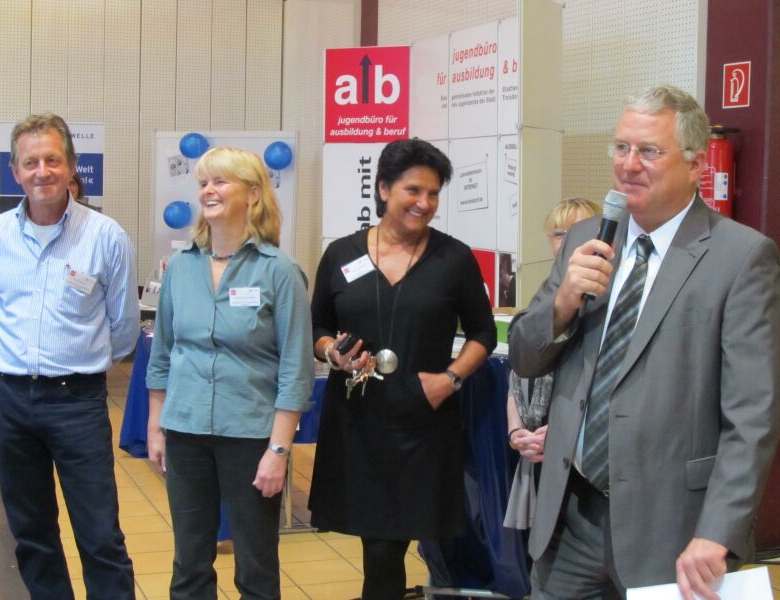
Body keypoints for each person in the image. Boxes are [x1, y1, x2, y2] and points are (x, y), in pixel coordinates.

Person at [509, 84, 780, 600]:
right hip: (570, 520)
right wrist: (562, 302)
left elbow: (752, 416)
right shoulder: (588, 237)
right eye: (621, 147)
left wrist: (718, 530)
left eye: (649, 151)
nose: (628, 165)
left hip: (674, 529)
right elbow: (524, 355)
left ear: (696, 164)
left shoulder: (741, 257)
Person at [309, 138, 497, 600]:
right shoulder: (342, 254)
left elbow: (483, 333)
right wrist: (332, 352)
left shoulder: (454, 258)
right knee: (378, 546)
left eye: (433, 194)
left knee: (387, 547)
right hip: (356, 420)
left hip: (422, 421)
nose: (424, 203)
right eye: (413, 190)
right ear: (383, 188)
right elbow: (318, 327)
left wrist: (451, 379)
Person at [0, 113, 139, 599]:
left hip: (77, 402)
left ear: (71, 166)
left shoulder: (106, 236)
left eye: (52, 160)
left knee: (99, 534)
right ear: (15, 172)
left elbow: (124, 326)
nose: (42, 171)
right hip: (8, 399)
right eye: (31, 163)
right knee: (32, 533)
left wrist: (79, 364)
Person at [146, 146, 313, 600]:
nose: (208, 191)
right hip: (185, 430)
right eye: (203, 182)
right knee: (189, 564)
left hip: (251, 435)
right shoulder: (181, 267)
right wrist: (156, 425)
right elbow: (162, 353)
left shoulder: (280, 271)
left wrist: (278, 449)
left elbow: (296, 369)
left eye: (220, 181)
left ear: (253, 193)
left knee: (256, 566)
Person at [504, 197, 601, 530]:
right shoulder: (543, 299)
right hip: (533, 453)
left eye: (577, 232)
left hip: (580, 457)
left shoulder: (603, 303)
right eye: (559, 234)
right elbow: (516, 376)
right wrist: (516, 432)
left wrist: (563, 431)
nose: (567, 241)